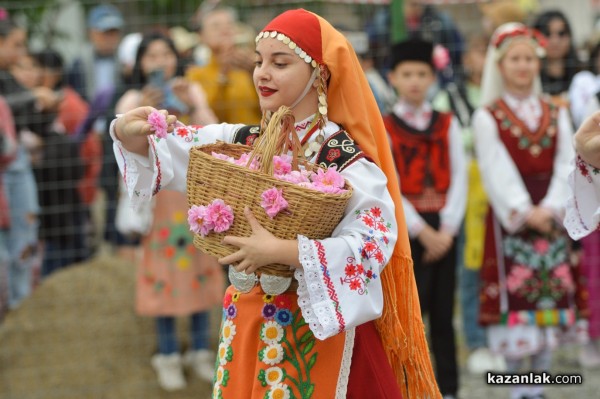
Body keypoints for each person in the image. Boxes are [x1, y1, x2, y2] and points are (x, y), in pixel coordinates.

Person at [110, 8, 439, 399]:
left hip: (316, 331)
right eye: (258, 61)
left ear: (319, 73)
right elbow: (178, 147)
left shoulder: (340, 157)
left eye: (280, 63)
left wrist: (285, 251)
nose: (262, 73)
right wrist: (127, 132)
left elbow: (375, 239)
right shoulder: (245, 141)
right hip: (249, 321)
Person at [474, 23, 586, 399]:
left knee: (549, 298)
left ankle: (539, 386)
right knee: (515, 296)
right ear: (501, 66)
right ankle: (514, 387)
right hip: (513, 222)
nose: (523, 66)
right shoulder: (487, 115)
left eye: (528, 59)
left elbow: (567, 162)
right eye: (515, 59)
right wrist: (524, 210)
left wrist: (553, 206)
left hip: (550, 217)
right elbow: (494, 169)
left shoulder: (557, 112)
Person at [114, 31, 222, 391]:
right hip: (157, 202)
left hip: (193, 196)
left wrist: (193, 104)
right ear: (139, 64)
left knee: (200, 268)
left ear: (177, 57)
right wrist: (140, 109)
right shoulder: (133, 98)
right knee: (163, 273)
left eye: (166, 53)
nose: (160, 61)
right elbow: (124, 151)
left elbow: (213, 135)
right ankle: (168, 352)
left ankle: (201, 350)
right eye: (151, 56)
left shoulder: (189, 91)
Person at [383, 38, 466, 399]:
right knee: (408, 314)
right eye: (407, 74)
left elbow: (461, 176)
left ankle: (448, 388)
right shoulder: (385, 126)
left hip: (445, 225)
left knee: (444, 315)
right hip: (408, 228)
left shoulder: (447, 123)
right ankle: (408, 385)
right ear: (393, 78)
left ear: (432, 77)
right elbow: (389, 181)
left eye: (422, 73)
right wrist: (421, 231)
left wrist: (446, 230)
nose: (414, 81)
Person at [433, 34, 506, 375]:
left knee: (502, 262)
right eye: (479, 49)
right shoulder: (452, 98)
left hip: (504, 189)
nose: (484, 58)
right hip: (469, 191)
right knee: (470, 265)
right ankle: (476, 339)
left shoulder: (505, 99)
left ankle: (502, 335)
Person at [185, 5, 261, 125]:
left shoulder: (252, 65)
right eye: (216, 26)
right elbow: (208, 119)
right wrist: (223, 75)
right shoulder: (195, 74)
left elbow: (269, 109)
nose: (225, 30)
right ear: (202, 36)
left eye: (229, 24)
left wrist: (254, 73)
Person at [67, 3, 124, 102]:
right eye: (106, 32)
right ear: (92, 33)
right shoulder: (79, 64)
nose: (111, 38)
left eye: (114, 32)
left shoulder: (125, 63)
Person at [532, 10, 581, 103]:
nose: (555, 41)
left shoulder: (583, 73)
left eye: (561, 33)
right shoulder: (529, 76)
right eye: (547, 34)